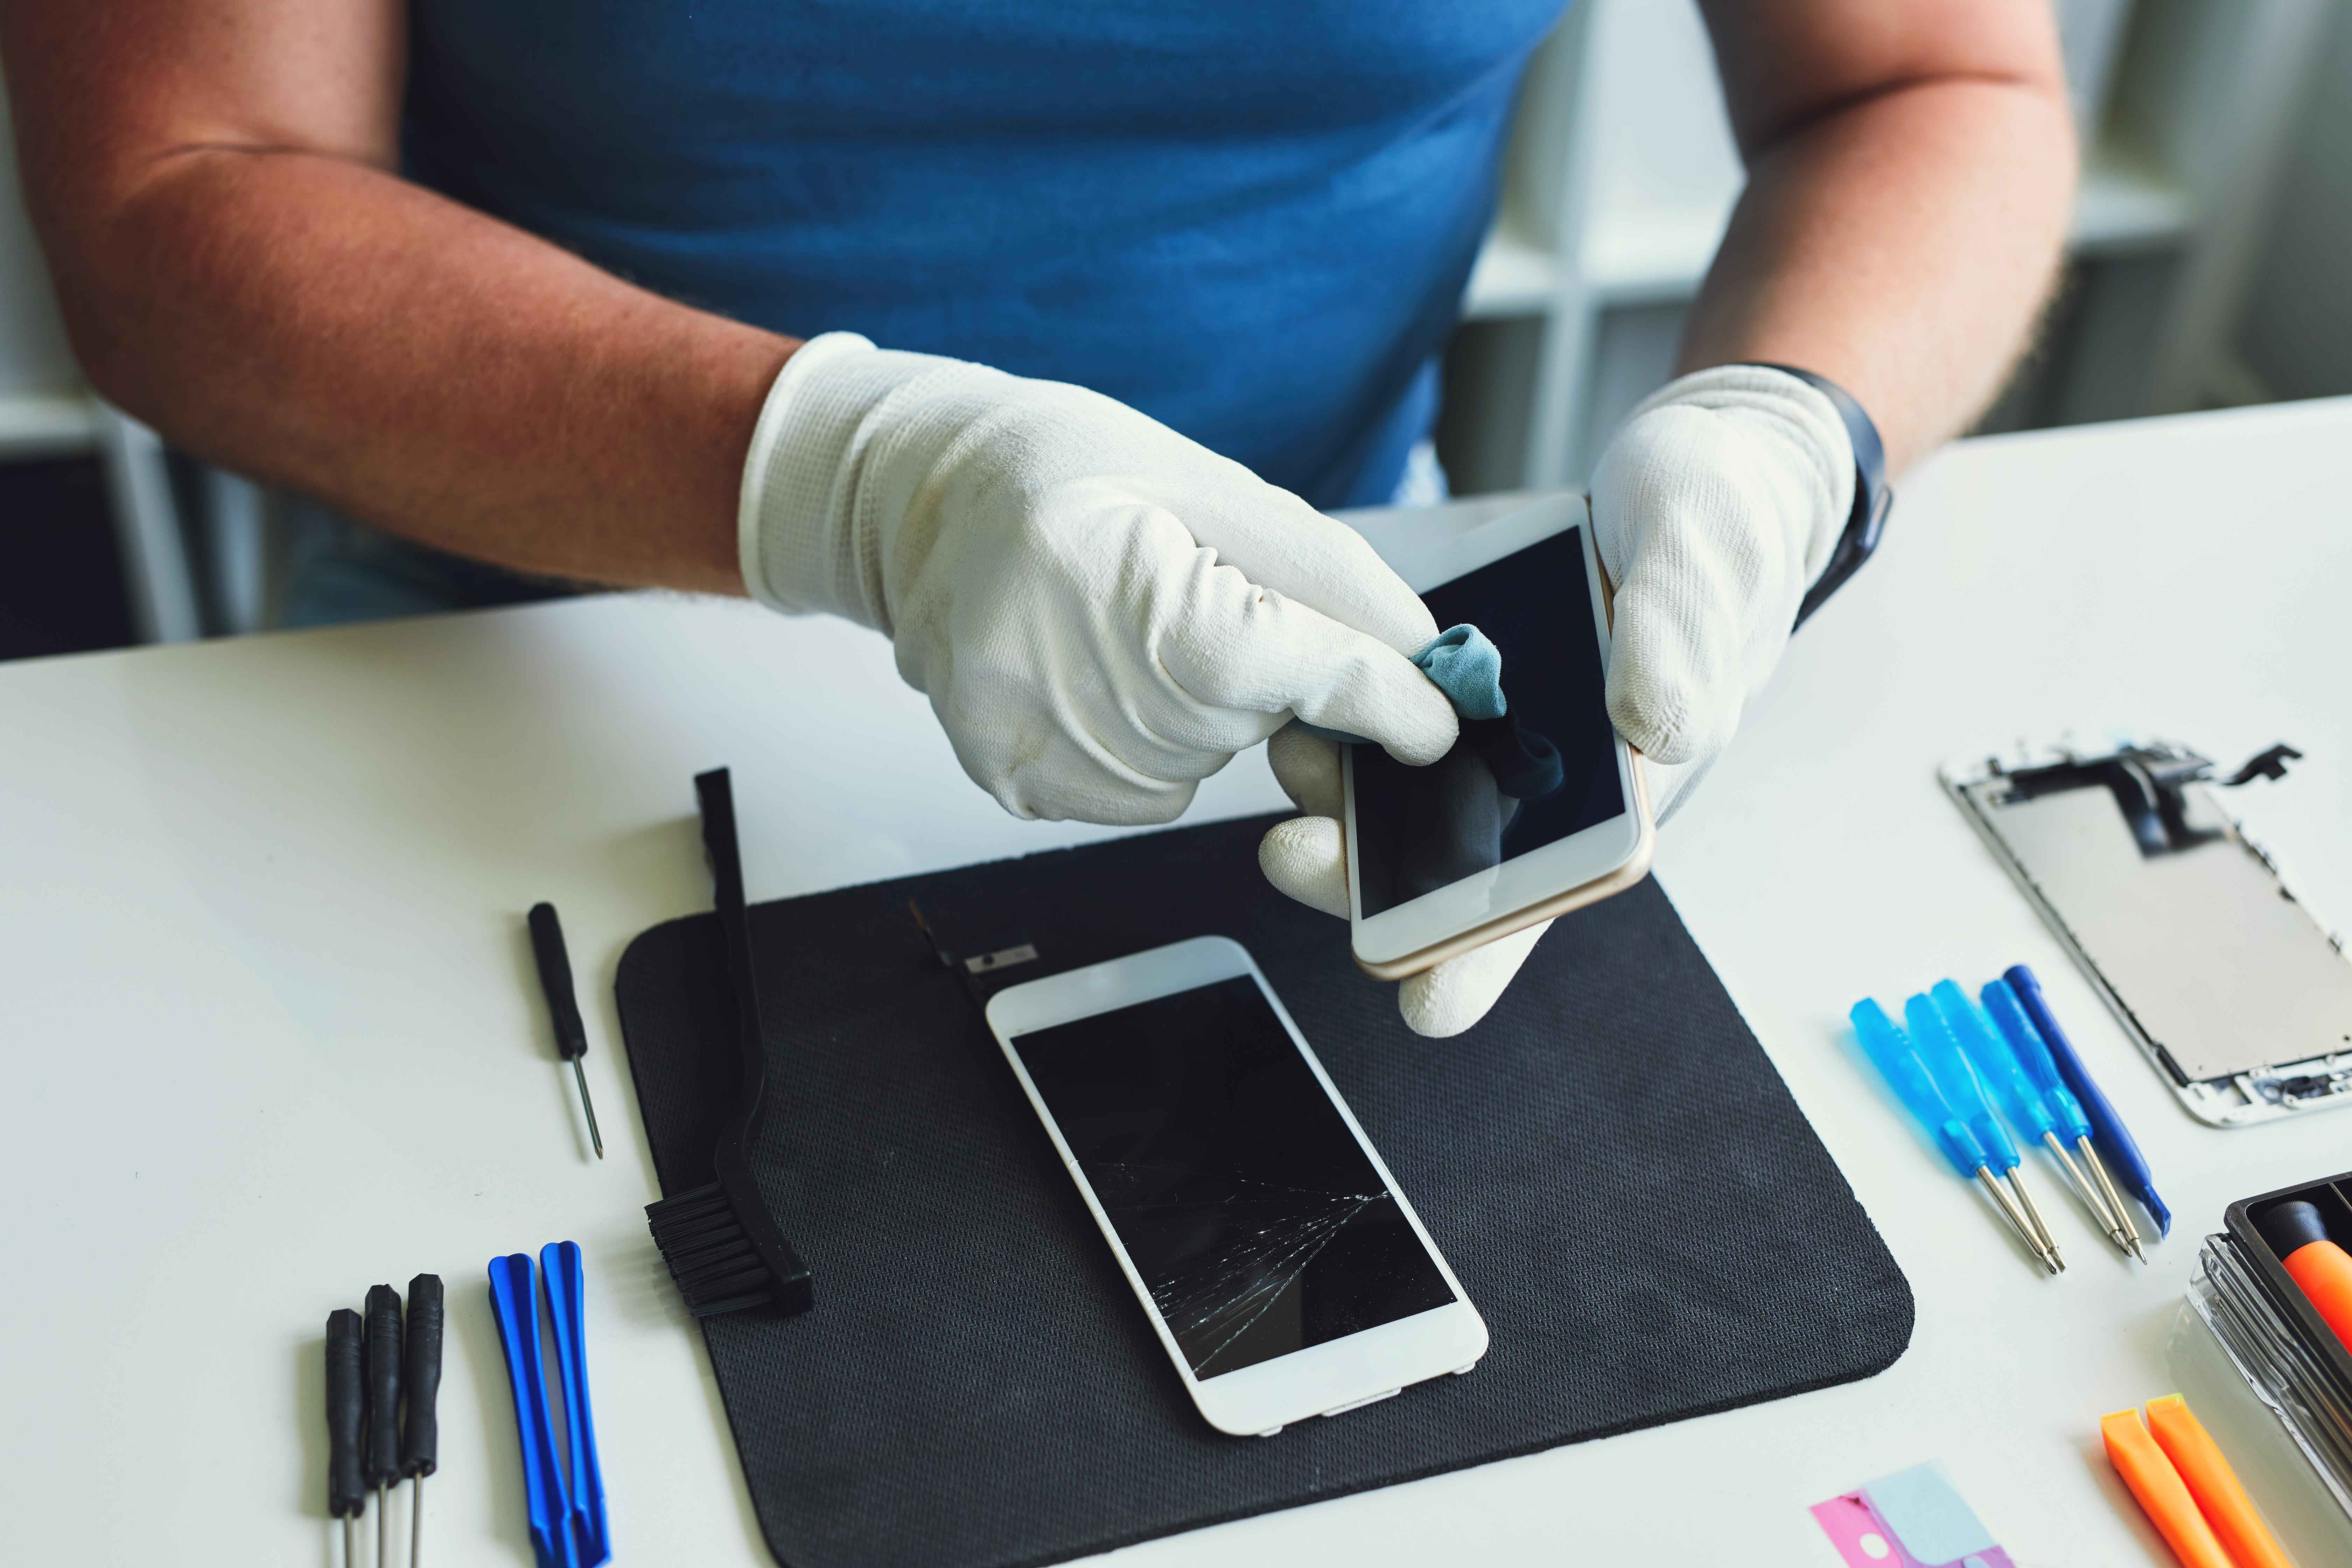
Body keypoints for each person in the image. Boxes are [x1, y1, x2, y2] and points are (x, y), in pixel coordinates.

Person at [0, 1, 2073, 1033]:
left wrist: (1799, 428)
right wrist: (851, 482)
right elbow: (179, 182)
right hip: (515, 636)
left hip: (1337, 659)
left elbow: (1929, 83)